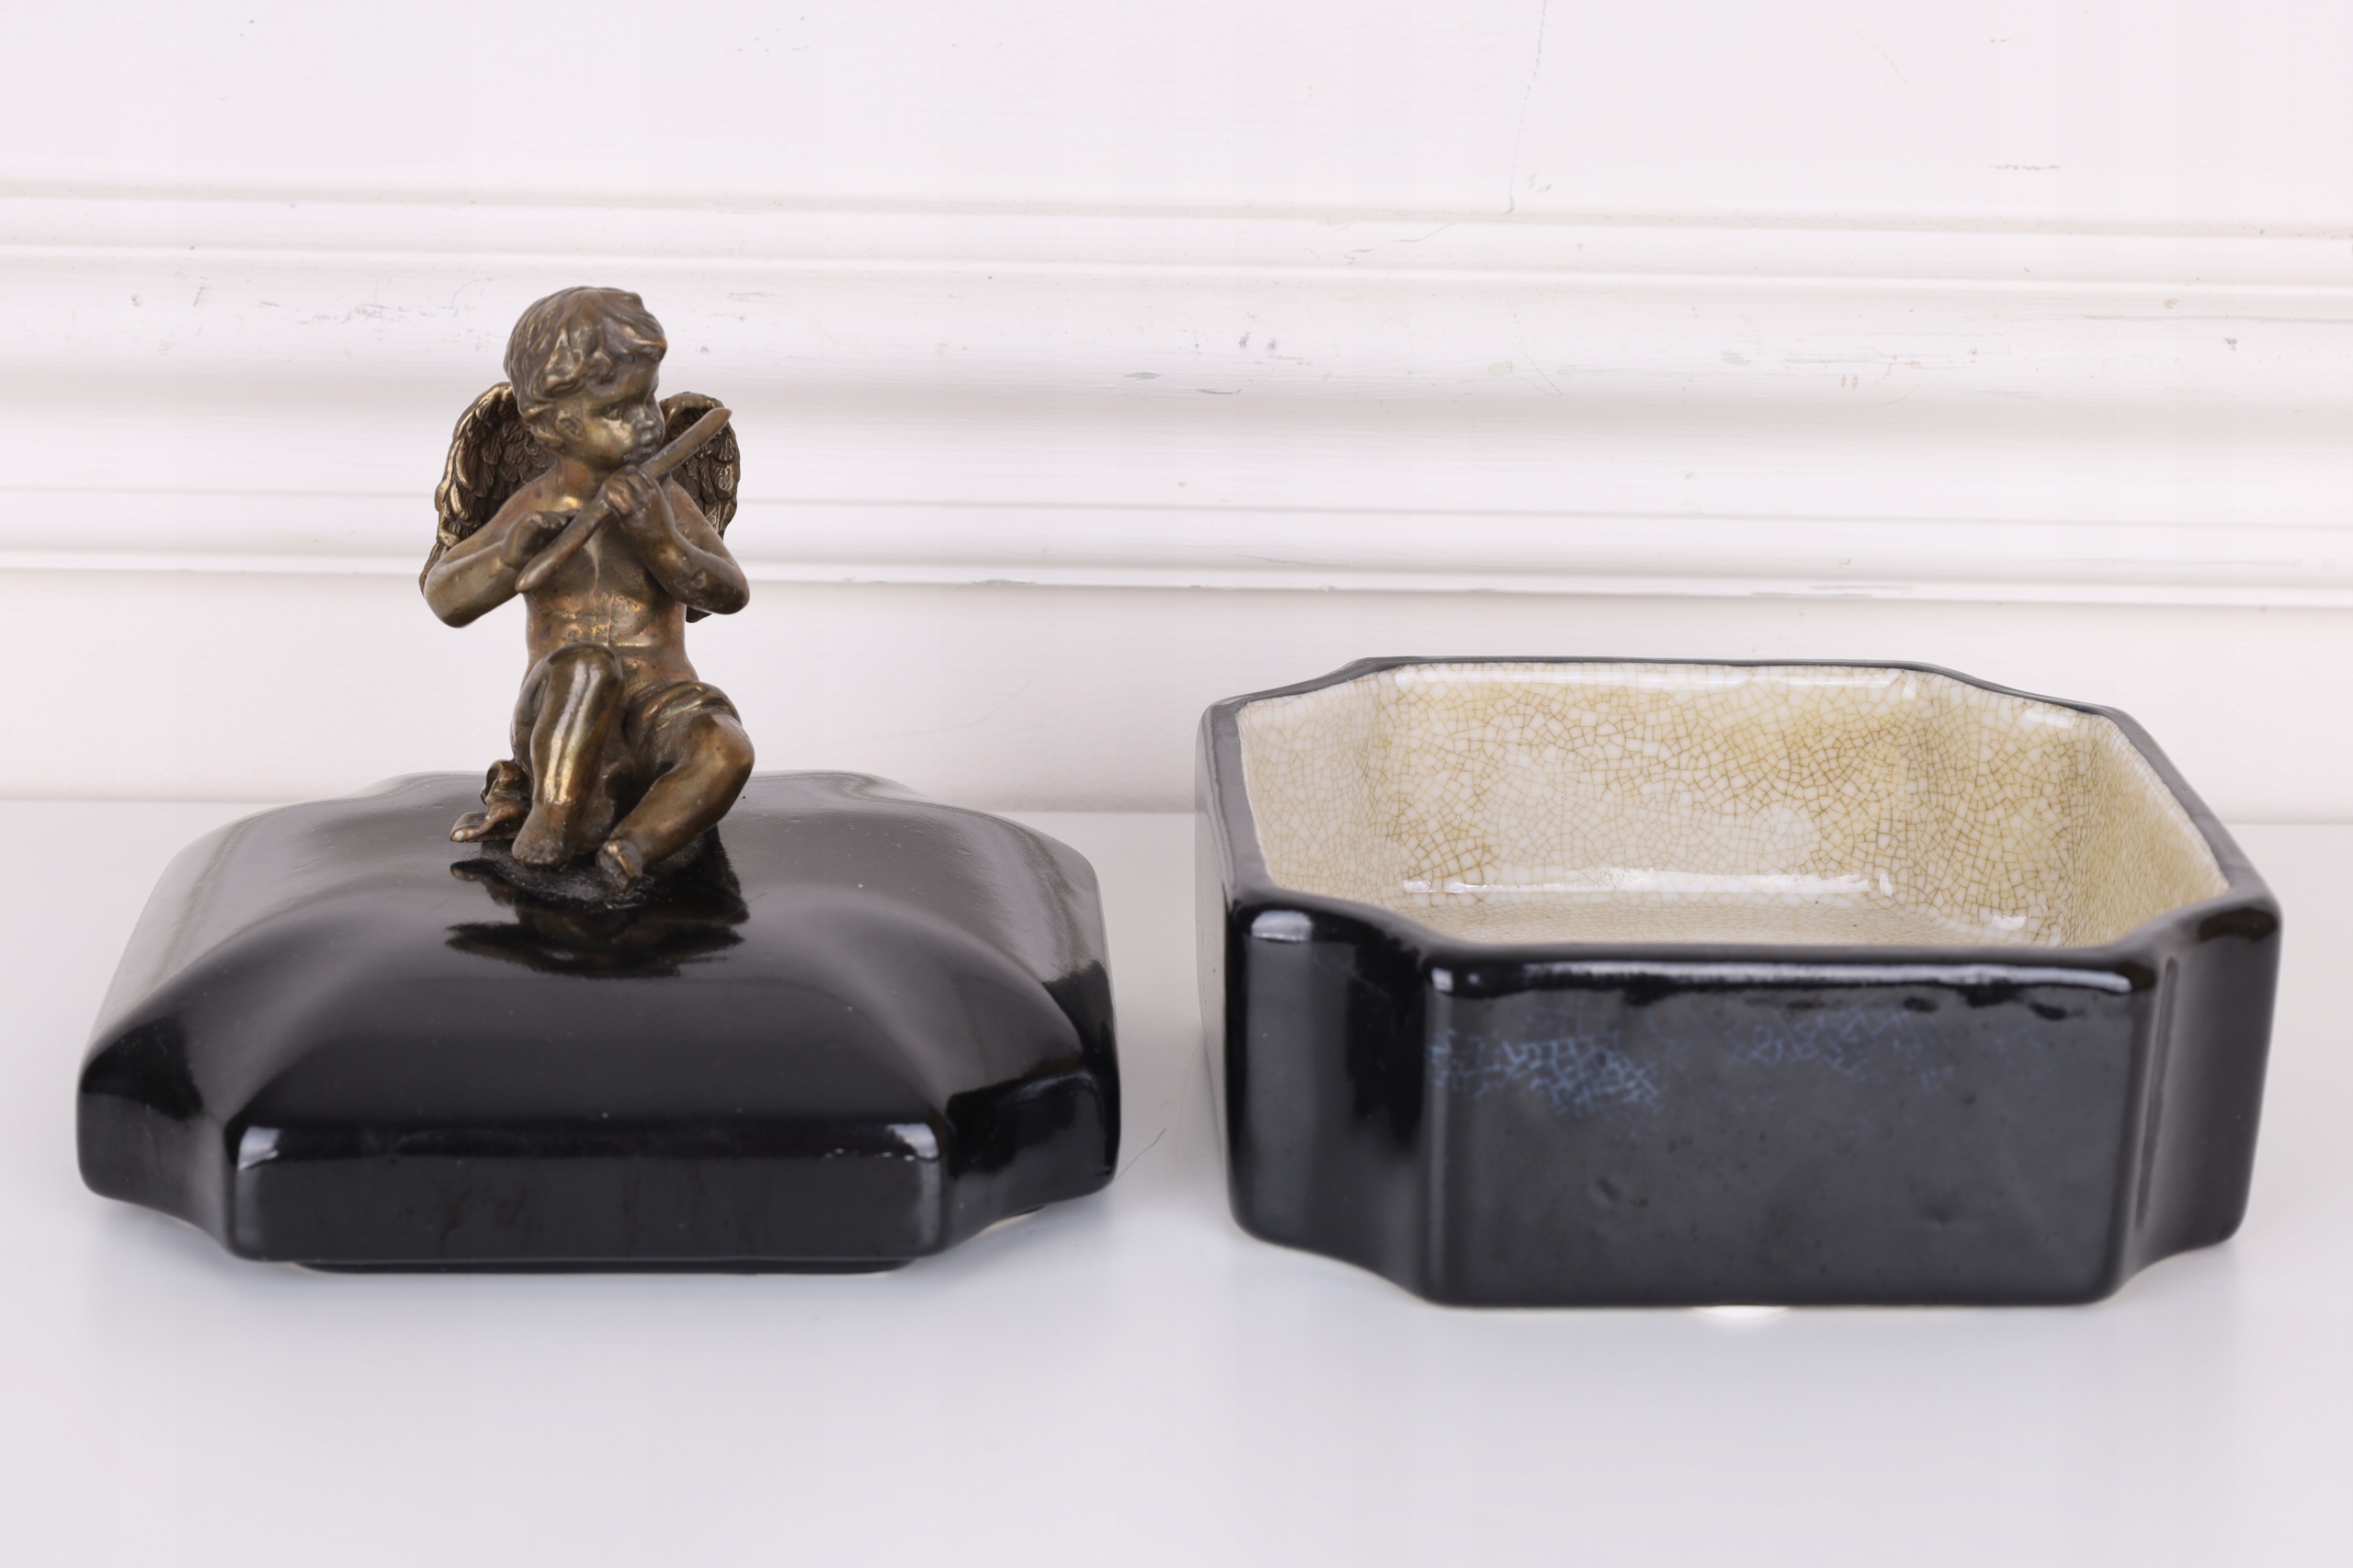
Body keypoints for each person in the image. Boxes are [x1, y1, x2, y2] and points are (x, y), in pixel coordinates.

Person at [422, 288, 753, 892]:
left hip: (662, 705)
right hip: (561, 721)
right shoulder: (534, 503)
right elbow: (446, 599)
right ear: (555, 427)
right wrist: (508, 554)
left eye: (649, 398)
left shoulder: (665, 498)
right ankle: (555, 821)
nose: (649, 421)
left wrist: (661, 539)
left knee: (725, 748)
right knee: (588, 666)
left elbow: (729, 593)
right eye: (621, 409)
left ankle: (634, 845)